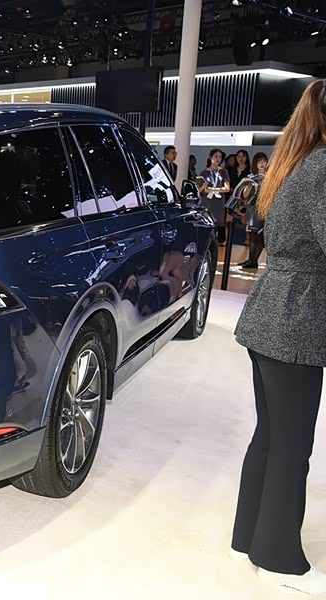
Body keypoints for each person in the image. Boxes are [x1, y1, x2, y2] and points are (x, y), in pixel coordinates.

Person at [231, 79, 326, 595]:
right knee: (292, 443)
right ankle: (278, 557)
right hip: (298, 317)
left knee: (270, 434)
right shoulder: (322, 167)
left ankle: (249, 537)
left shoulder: (292, 164)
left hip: (272, 310)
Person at [238, 152, 269, 270]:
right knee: (251, 235)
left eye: (264, 161)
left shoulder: (270, 176)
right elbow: (245, 195)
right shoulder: (250, 177)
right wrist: (250, 185)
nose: (262, 164)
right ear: (255, 163)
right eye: (259, 161)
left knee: (260, 236)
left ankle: (254, 260)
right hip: (251, 208)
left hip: (264, 208)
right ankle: (251, 259)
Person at [199, 148, 231, 244]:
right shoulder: (203, 173)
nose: (218, 159)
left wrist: (212, 189)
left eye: (220, 157)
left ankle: (217, 243)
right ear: (210, 157)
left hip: (219, 203)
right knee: (207, 226)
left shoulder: (223, 172)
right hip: (207, 202)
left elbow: (227, 188)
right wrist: (204, 187)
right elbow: (200, 189)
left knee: (218, 226)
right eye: (216, 156)